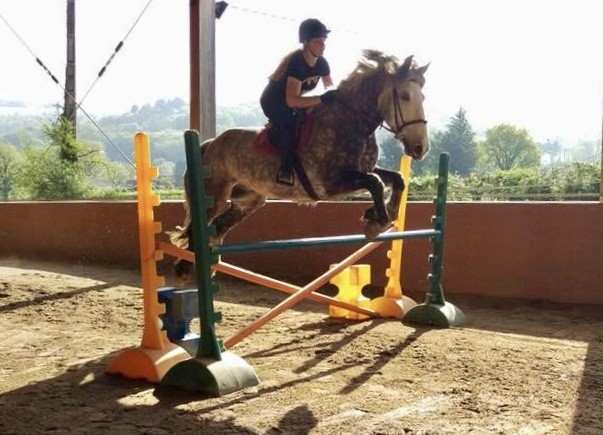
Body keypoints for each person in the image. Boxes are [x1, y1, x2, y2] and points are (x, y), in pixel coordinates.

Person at [260, 18, 338, 186]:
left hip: (294, 100)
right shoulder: (297, 63)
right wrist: (320, 100)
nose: (323, 45)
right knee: (291, 122)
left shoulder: (322, 63)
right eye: (318, 41)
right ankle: (285, 169)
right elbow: (291, 101)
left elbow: (329, 89)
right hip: (275, 102)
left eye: (324, 41)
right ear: (306, 42)